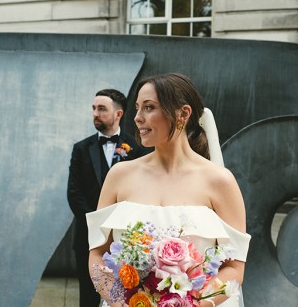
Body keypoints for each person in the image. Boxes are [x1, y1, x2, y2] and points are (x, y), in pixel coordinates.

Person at [86, 73, 251, 307]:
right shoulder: (119, 176)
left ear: (183, 113)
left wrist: (190, 304)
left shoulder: (220, 182)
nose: (137, 118)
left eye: (149, 107)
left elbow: (234, 268)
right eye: (137, 109)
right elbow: (97, 255)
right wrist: (123, 303)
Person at [67, 88, 148, 307]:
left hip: (126, 237)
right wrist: (98, 224)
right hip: (87, 235)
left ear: (119, 114)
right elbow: (74, 194)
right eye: (94, 108)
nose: (95, 113)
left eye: (102, 109)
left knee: (126, 292)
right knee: (89, 294)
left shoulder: (137, 149)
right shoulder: (81, 149)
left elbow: (141, 191)